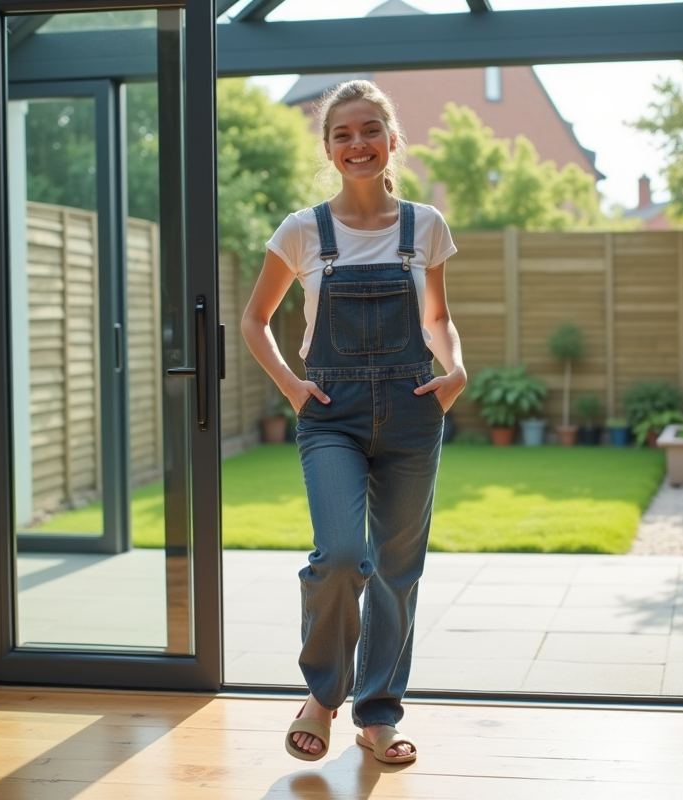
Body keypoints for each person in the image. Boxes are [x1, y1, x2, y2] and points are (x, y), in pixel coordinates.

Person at [241, 80, 466, 764]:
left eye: (370, 130)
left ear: (392, 141)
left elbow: (436, 317)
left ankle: (377, 715)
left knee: (397, 567)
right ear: (330, 148)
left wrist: (454, 369)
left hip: (411, 408)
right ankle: (323, 693)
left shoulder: (423, 226)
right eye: (343, 134)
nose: (357, 143)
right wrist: (292, 386)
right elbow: (254, 320)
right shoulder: (303, 230)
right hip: (331, 413)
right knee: (341, 556)